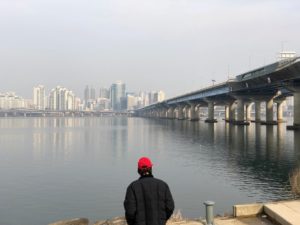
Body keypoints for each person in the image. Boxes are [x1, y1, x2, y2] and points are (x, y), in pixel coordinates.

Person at [124, 157, 175, 225]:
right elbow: (170, 207)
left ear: (138, 170)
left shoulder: (132, 187)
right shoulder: (163, 185)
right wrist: (162, 220)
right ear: (151, 168)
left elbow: (130, 211)